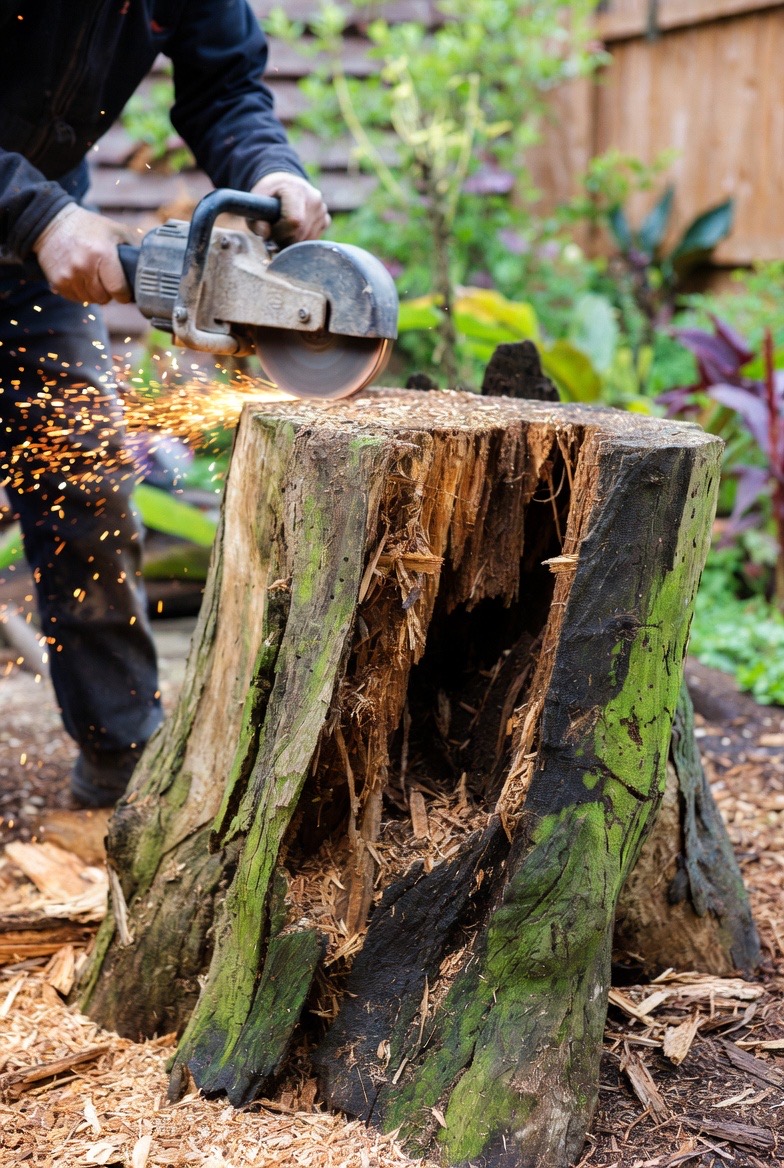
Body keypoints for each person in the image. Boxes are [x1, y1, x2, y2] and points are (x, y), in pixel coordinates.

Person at [0, 1, 329, 807]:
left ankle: (122, 761)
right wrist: (37, 215)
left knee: (85, 476)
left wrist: (270, 171)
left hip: (26, 251)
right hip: (30, 214)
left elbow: (226, 87)